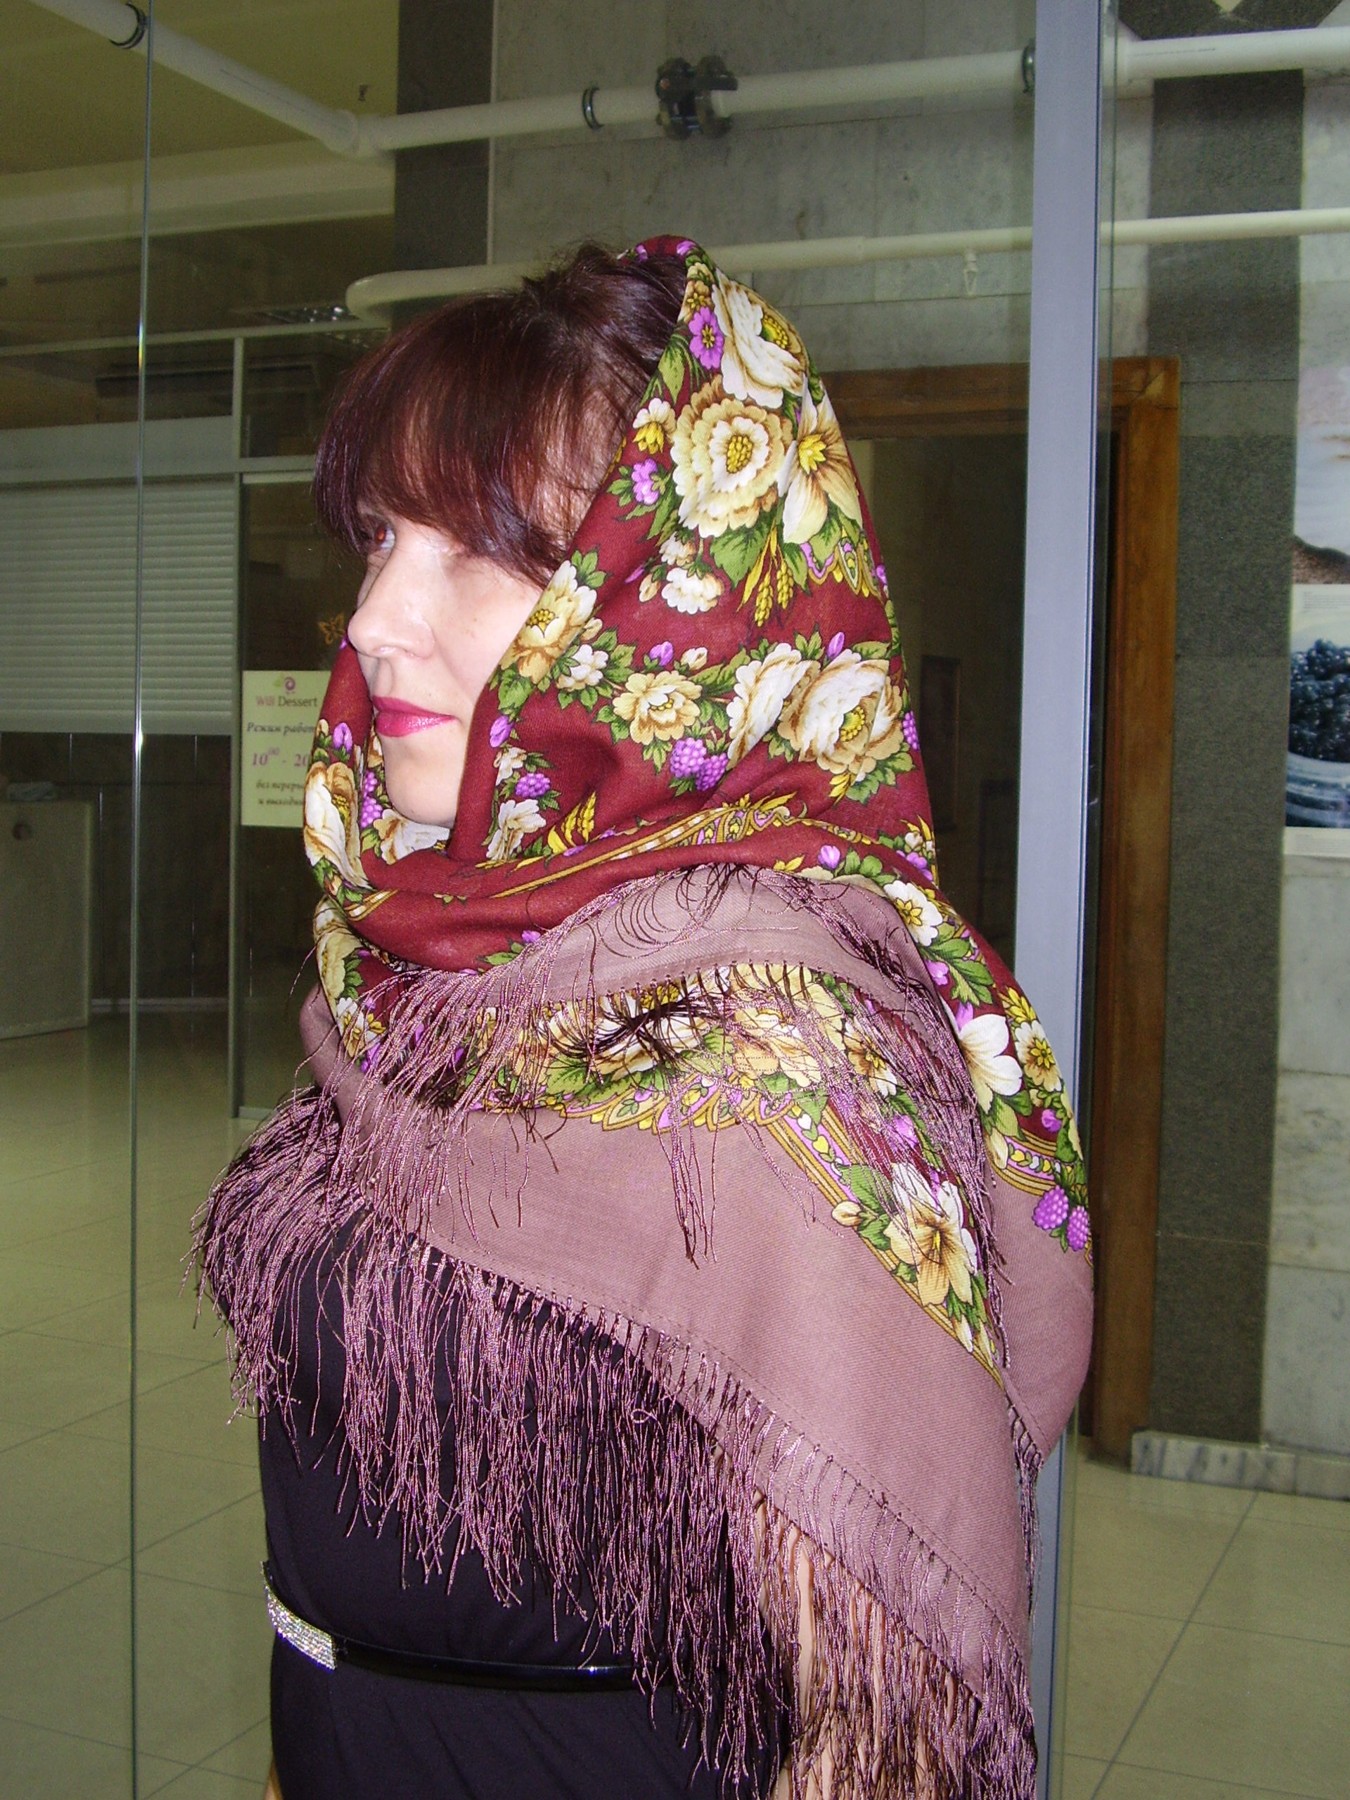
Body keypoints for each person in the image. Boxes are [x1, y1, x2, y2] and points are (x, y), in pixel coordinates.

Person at [197, 237, 1093, 1800]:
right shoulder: (432, 966)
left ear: (676, 608)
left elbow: (868, 1742)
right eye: (381, 540)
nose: (377, 621)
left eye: (482, 554)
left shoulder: (768, 1047)